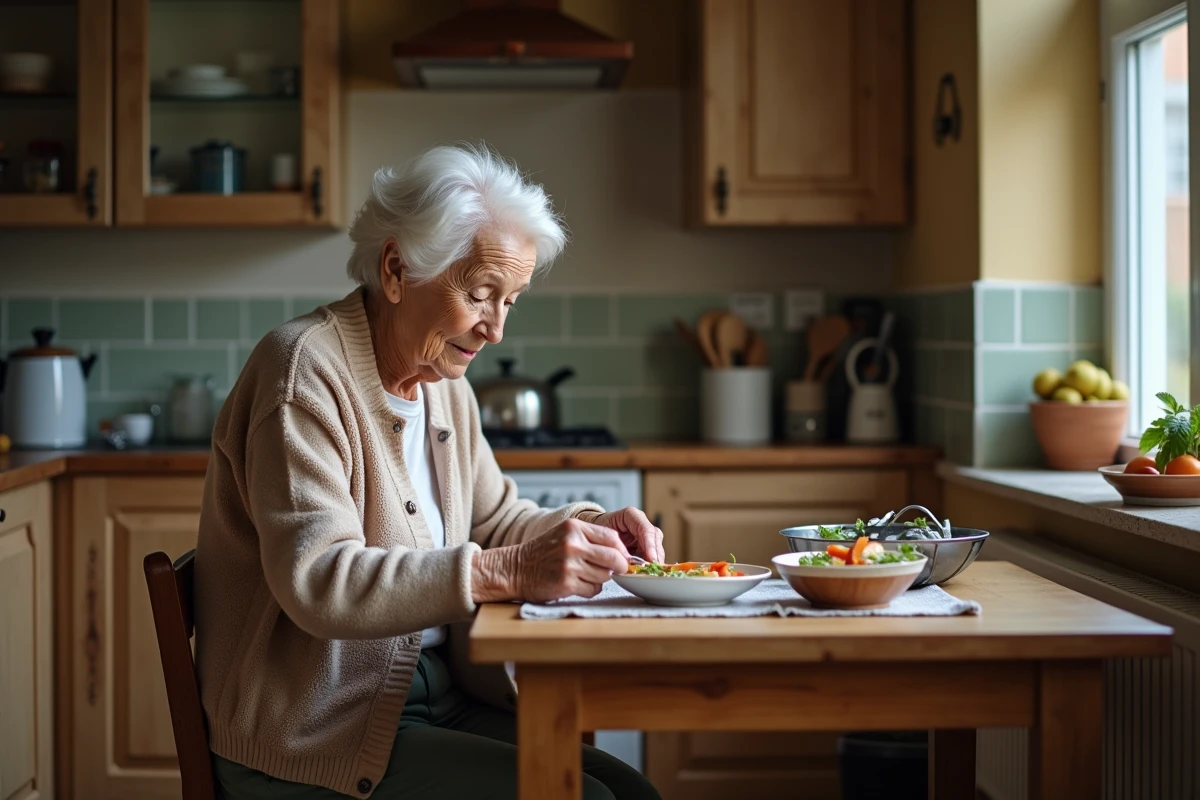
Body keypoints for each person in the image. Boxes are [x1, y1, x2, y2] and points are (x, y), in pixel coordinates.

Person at [194, 144, 664, 799]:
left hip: (434, 694)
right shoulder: (301, 372)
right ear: (396, 269)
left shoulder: (444, 384)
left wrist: (589, 527)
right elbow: (318, 579)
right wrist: (506, 572)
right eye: (479, 294)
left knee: (631, 793)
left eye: (511, 301)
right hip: (315, 729)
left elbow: (495, 518)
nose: (495, 329)